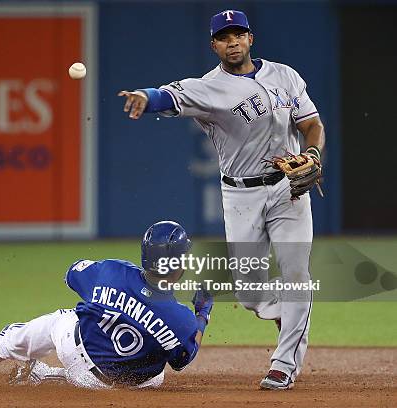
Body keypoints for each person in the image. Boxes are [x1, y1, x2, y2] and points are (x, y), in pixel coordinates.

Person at [117, 10, 325, 390]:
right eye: (224, 37)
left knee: (296, 276)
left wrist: (311, 155)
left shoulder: (285, 76)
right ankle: (283, 311)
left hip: (288, 189)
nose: (232, 42)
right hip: (240, 194)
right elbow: (168, 96)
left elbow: (311, 123)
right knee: (249, 292)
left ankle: (283, 364)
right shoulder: (209, 87)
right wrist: (144, 97)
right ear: (213, 45)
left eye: (238, 34)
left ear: (251, 38)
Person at [0, 221, 213, 389]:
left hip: (78, 360)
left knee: (65, 318)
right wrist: (202, 313)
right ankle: (45, 375)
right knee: (157, 371)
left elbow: (72, 273)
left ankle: (2, 347)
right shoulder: (181, 319)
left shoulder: (112, 271)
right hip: (132, 387)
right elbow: (183, 360)